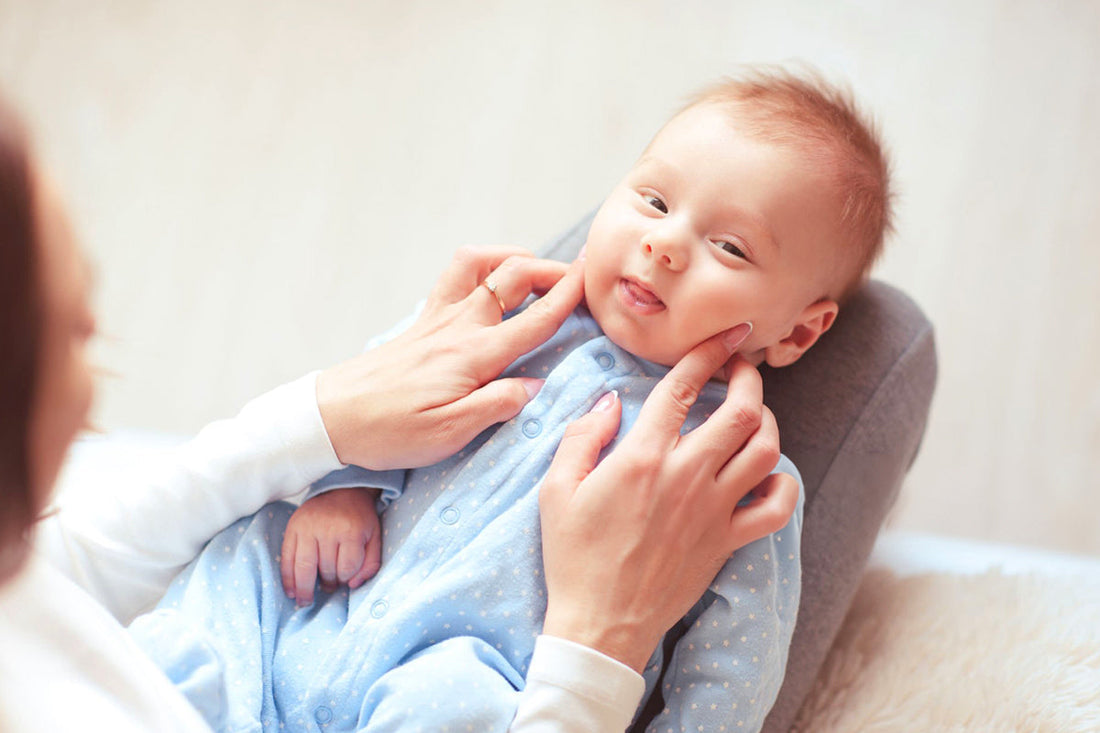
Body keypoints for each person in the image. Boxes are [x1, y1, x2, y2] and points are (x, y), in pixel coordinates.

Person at [0, 89, 800, 732]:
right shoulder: (518, 317)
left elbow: (735, 660)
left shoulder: (741, 466)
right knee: (232, 572)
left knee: (450, 696)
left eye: (730, 247)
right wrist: (343, 486)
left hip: (460, 660)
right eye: (651, 200)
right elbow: (382, 401)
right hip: (310, 608)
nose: (665, 244)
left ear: (798, 330)